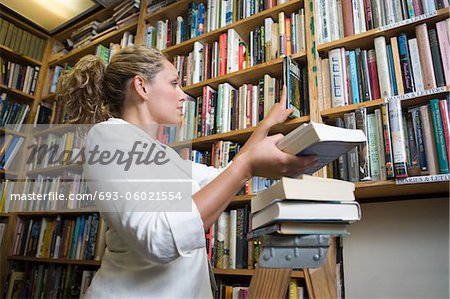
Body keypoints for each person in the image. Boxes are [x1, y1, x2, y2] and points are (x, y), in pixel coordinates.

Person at [57, 45, 317, 298]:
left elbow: (222, 178)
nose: (183, 95)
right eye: (173, 84)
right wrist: (246, 167)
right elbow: (160, 238)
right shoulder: (108, 136)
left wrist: (266, 125)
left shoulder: (164, 155)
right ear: (141, 86)